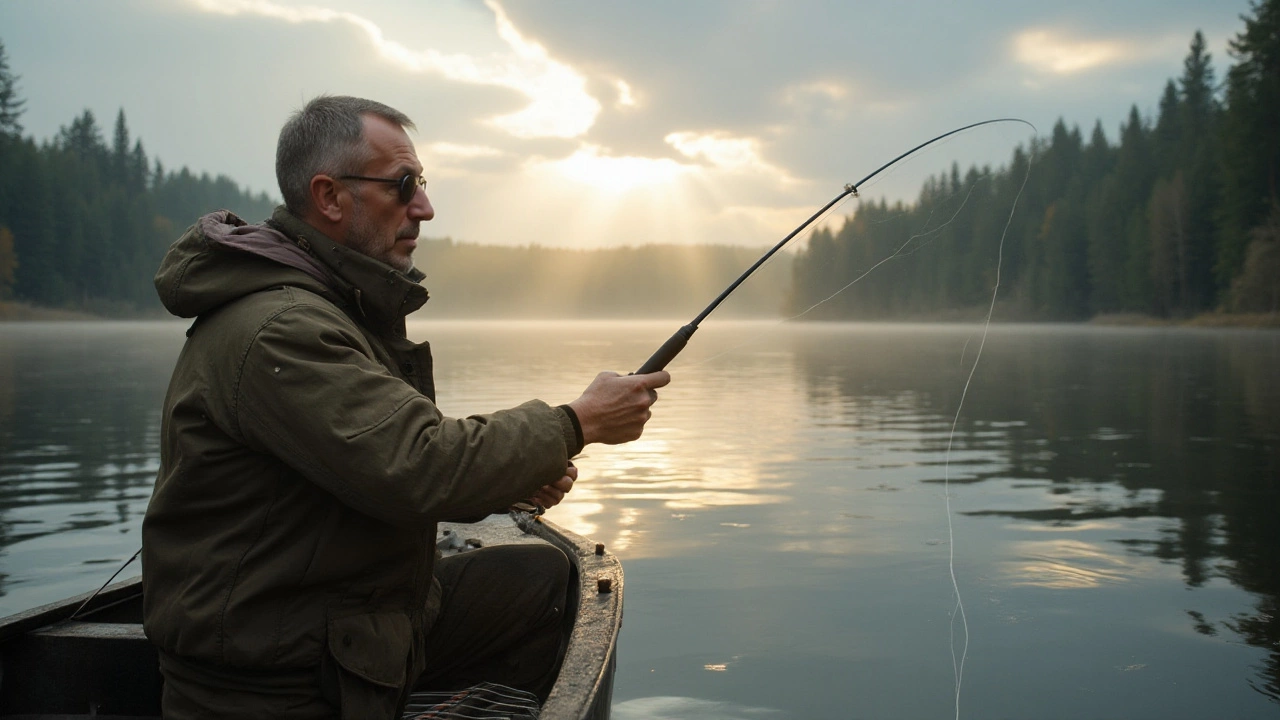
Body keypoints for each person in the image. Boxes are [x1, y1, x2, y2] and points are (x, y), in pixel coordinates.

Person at [141, 95, 670, 719]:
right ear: (330, 197)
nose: (424, 206)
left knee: (545, 583)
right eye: (403, 185)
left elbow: (368, 466)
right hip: (274, 681)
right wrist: (575, 423)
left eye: (421, 183)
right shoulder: (283, 328)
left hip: (330, 621)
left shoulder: (324, 310)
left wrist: (507, 483)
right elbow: (417, 463)